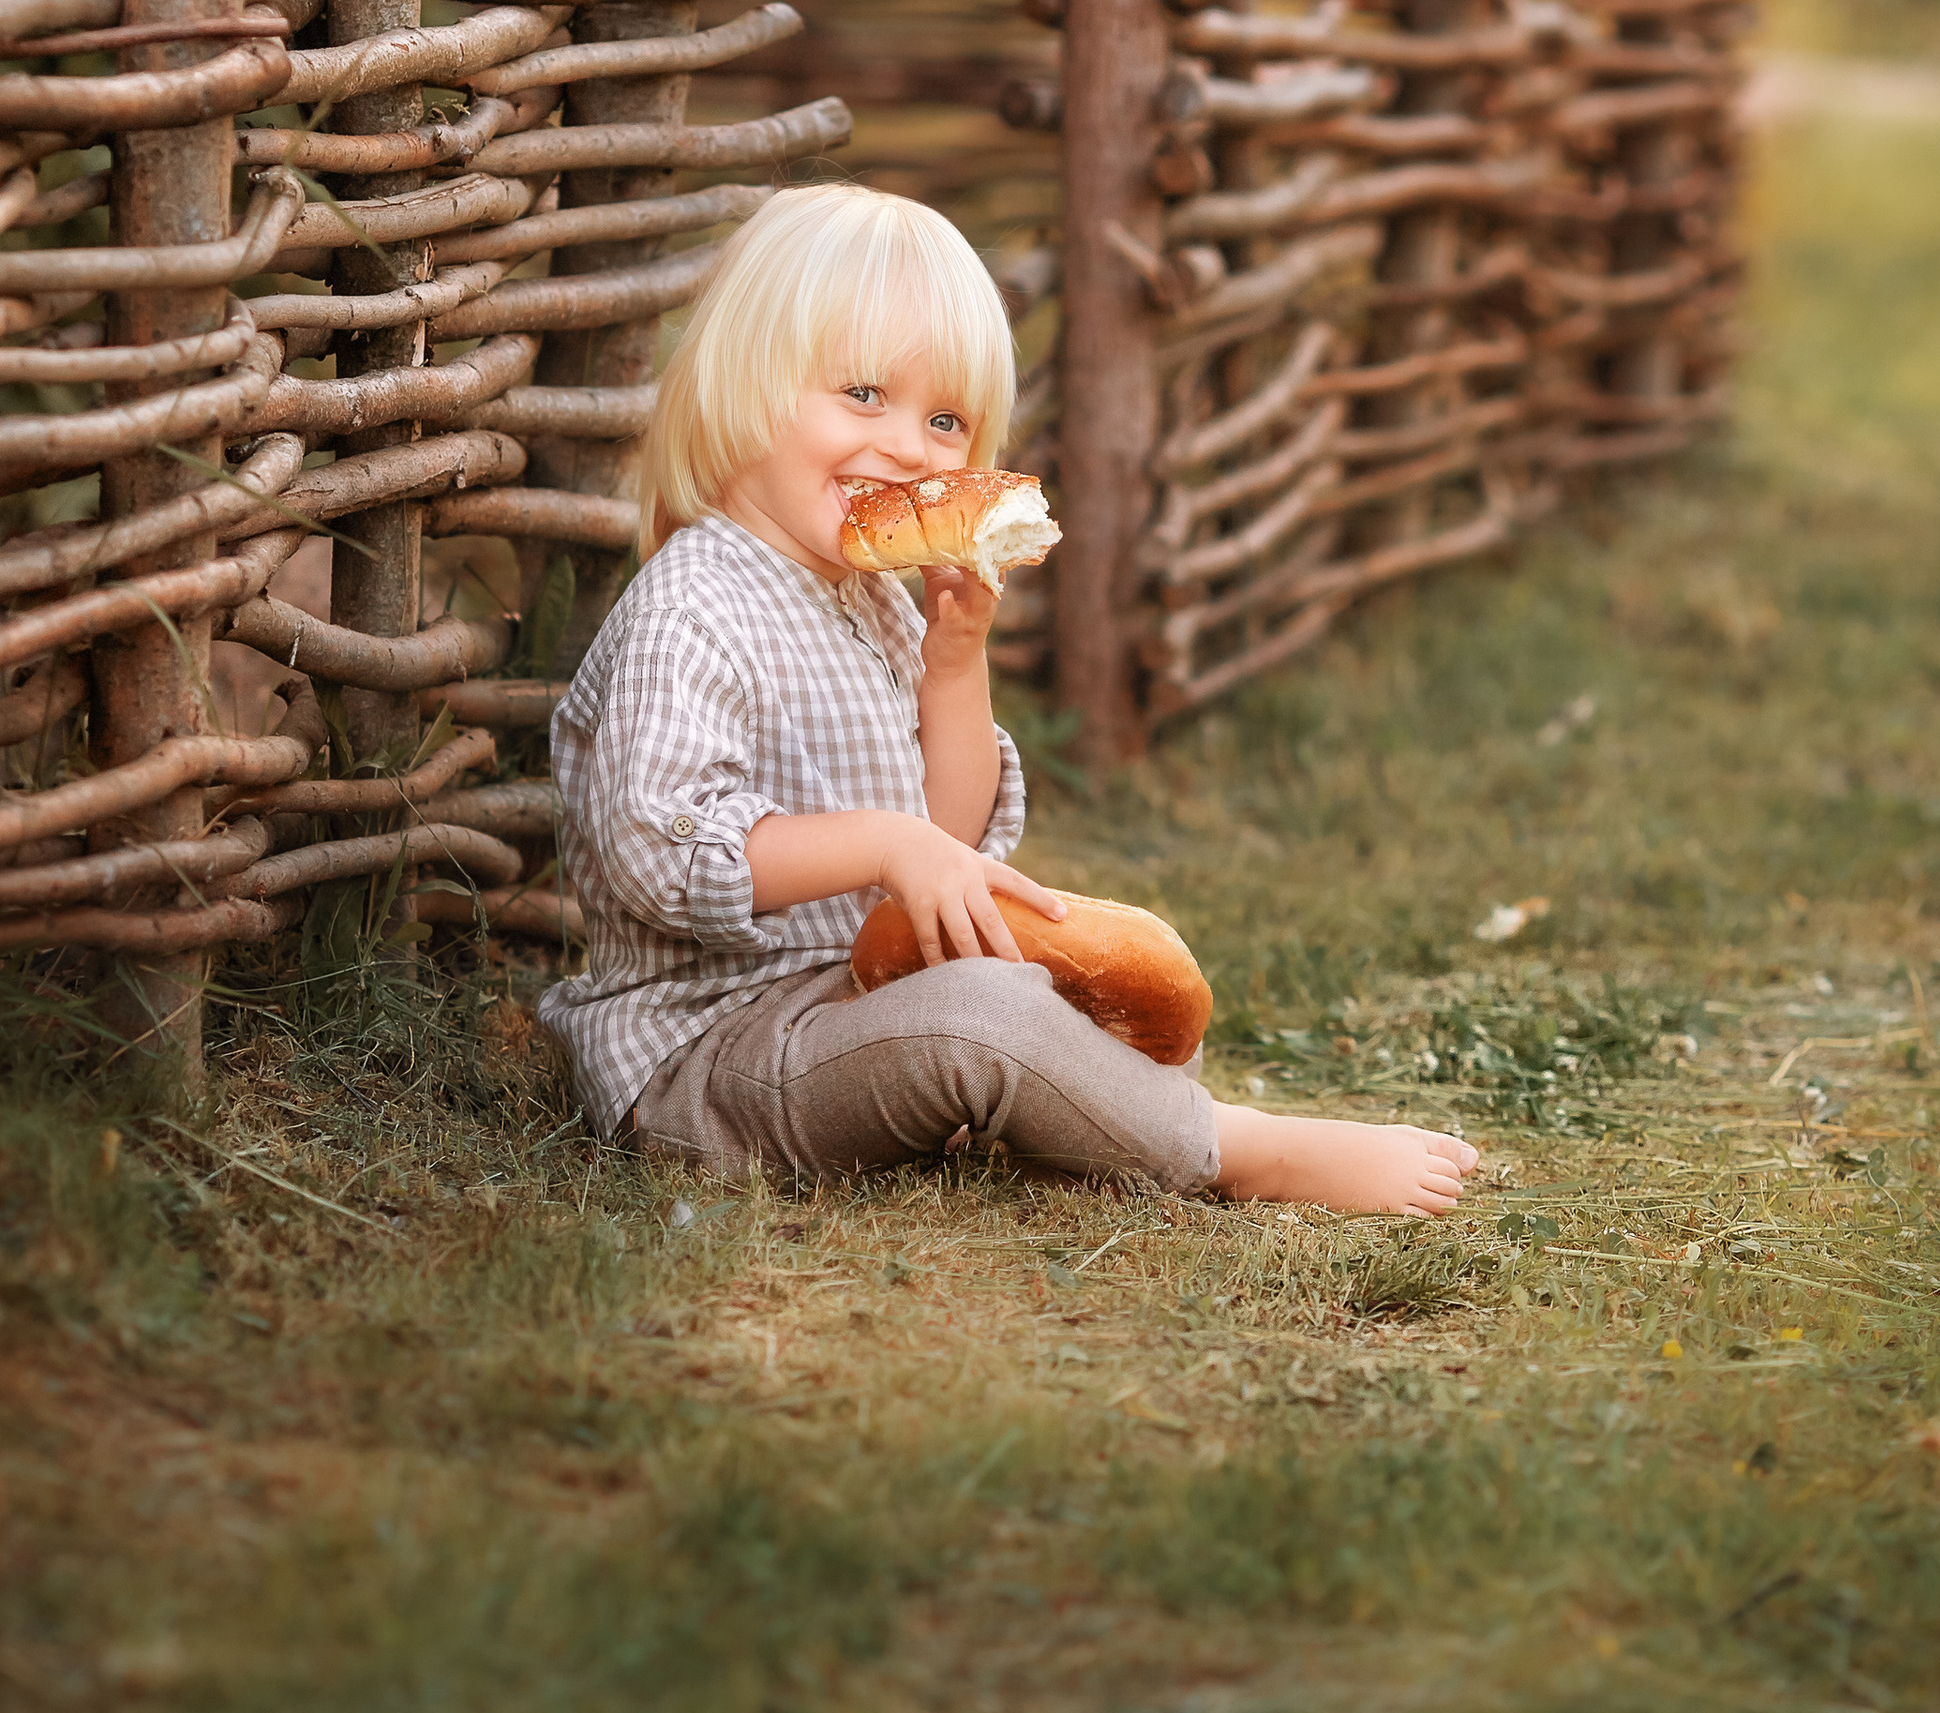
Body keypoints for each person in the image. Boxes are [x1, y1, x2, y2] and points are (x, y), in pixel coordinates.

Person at [540, 184, 1478, 1216]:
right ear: (743, 386)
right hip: (708, 1056)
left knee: (1069, 980)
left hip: (848, 1004)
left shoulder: (874, 602)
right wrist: (884, 846)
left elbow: (955, 837)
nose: (906, 447)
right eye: (862, 396)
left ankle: (1089, 1122)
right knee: (980, 1020)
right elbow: (660, 857)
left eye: (944, 420)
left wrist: (955, 663)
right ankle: (1244, 1153)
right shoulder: (692, 604)